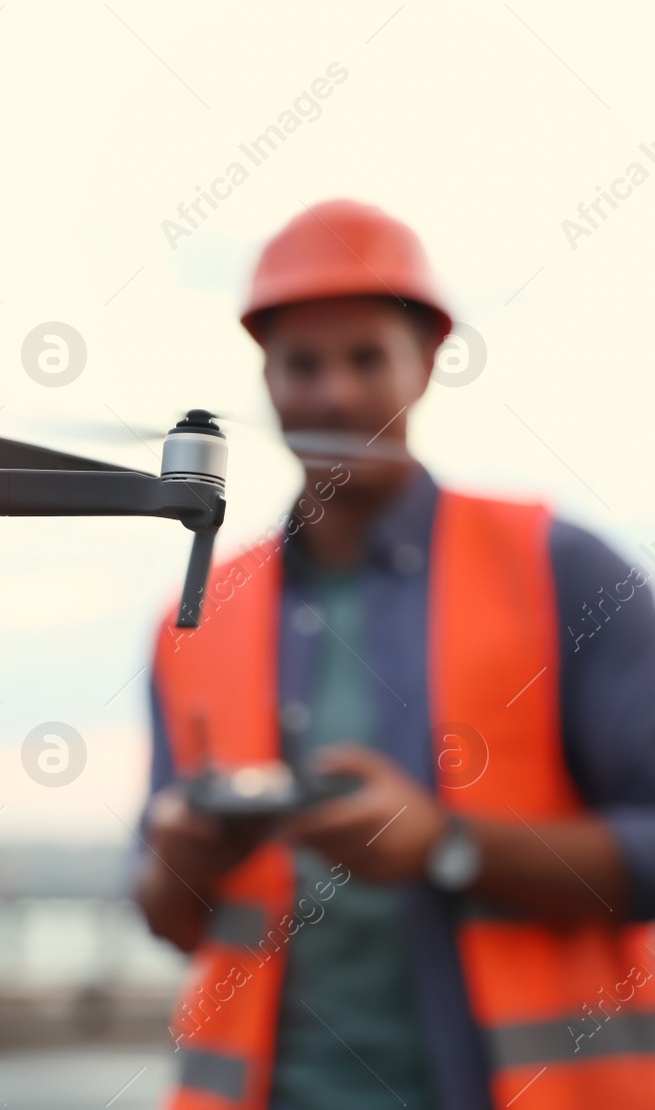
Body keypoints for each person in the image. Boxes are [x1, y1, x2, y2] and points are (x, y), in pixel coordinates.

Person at [134, 199, 655, 1109]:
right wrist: (185, 856)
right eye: (303, 363)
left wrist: (446, 845)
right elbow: (169, 916)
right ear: (266, 377)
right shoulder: (197, 615)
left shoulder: (562, 571)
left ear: (426, 364)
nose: (334, 393)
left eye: (366, 357)